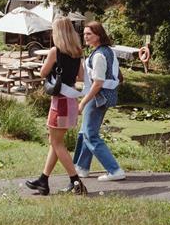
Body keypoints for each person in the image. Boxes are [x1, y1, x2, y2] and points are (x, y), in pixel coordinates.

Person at [25, 17, 87, 196]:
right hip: (71, 101)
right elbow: (81, 77)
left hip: (59, 103)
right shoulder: (77, 51)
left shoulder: (55, 51)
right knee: (55, 142)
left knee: (56, 143)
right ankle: (43, 181)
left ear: (57, 32)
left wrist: (53, 70)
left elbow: (43, 72)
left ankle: (76, 182)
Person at [72, 21, 126, 183]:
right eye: (85, 34)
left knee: (90, 135)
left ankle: (114, 170)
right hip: (100, 97)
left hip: (97, 98)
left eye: (89, 34)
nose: (85, 37)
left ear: (99, 35)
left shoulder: (99, 55)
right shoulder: (107, 51)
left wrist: (82, 102)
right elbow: (116, 76)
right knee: (85, 132)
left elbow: (98, 83)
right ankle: (81, 167)